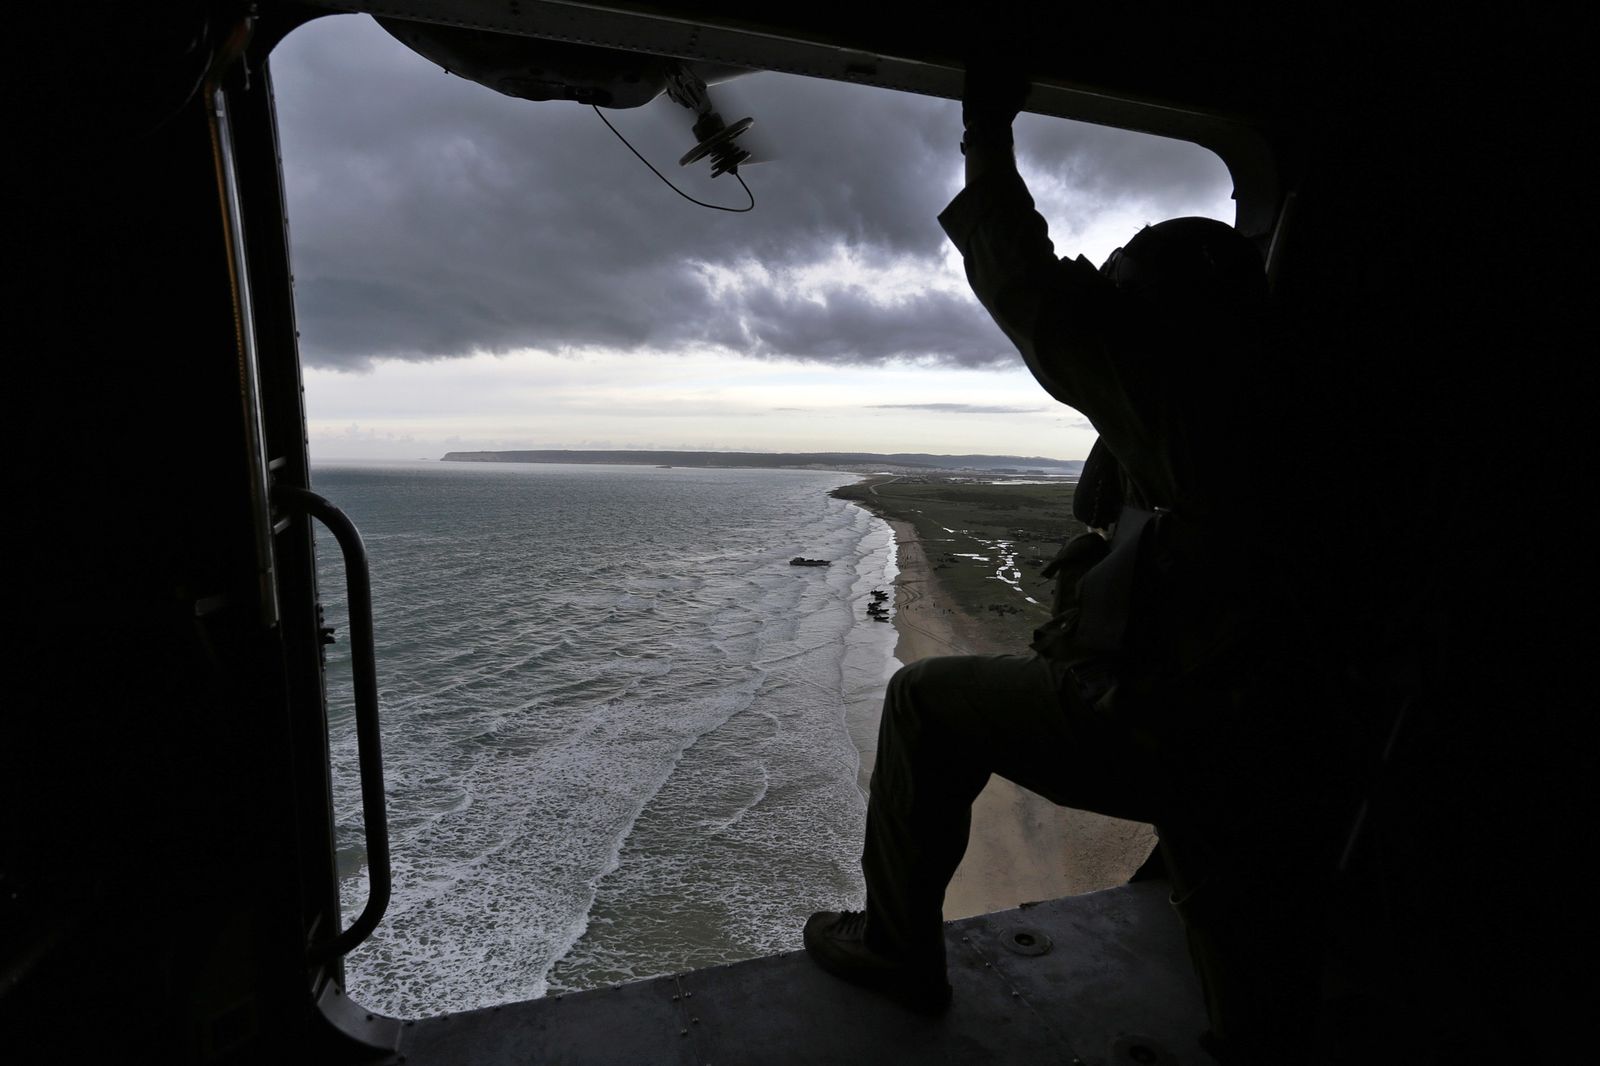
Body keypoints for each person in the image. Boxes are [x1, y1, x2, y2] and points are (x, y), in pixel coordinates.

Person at [802, 67, 1351, 1052]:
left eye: (1125, 289)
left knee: (923, 702)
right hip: (1278, 728)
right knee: (1234, 868)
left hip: (1179, 723)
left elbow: (1029, 285)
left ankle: (898, 951)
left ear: (1168, 318)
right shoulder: (1301, 400)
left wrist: (985, 124)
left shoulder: (1190, 405)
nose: (1108, 304)